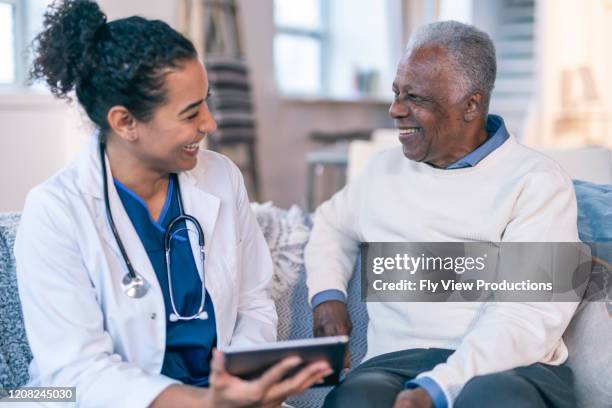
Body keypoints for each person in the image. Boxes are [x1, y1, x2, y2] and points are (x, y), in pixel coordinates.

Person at [15, 1, 330, 407]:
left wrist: (242, 381)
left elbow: (254, 301)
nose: (211, 123)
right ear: (125, 122)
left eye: (207, 101)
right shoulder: (55, 211)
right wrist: (204, 404)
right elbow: (77, 371)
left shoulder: (221, 178)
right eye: (190, 112)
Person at [305, 21, 580, 408]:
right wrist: (327, 296)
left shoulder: (538, 182)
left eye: (415, 97)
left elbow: (529, 315)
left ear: (471, 105)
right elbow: (331, 224)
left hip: (512, 368)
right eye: (397, 92)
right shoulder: (382, 171)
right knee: (356, 401)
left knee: (491, 399)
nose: (395, 110)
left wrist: (438, 388)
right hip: (394, 366)